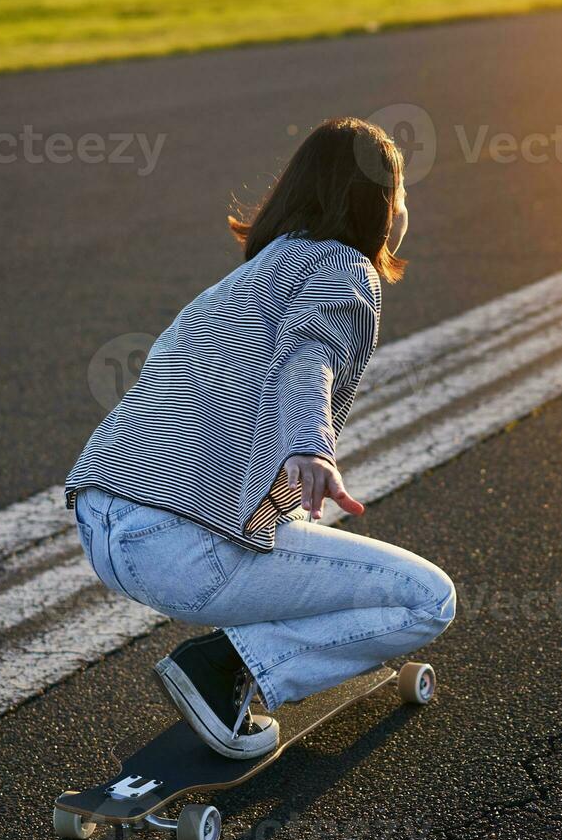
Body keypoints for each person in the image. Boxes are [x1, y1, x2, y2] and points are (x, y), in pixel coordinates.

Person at [65, 117, 455, 759]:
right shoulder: (348, 271)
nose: (405, 209)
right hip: (181, 547)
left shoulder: (265, 268)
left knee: (299, 545)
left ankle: (239, 658)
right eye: (401, 193)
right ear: (380, 205)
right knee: (427, 601)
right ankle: (225, 671)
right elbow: (307, 354)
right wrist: (311, 444)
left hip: (104, 521)